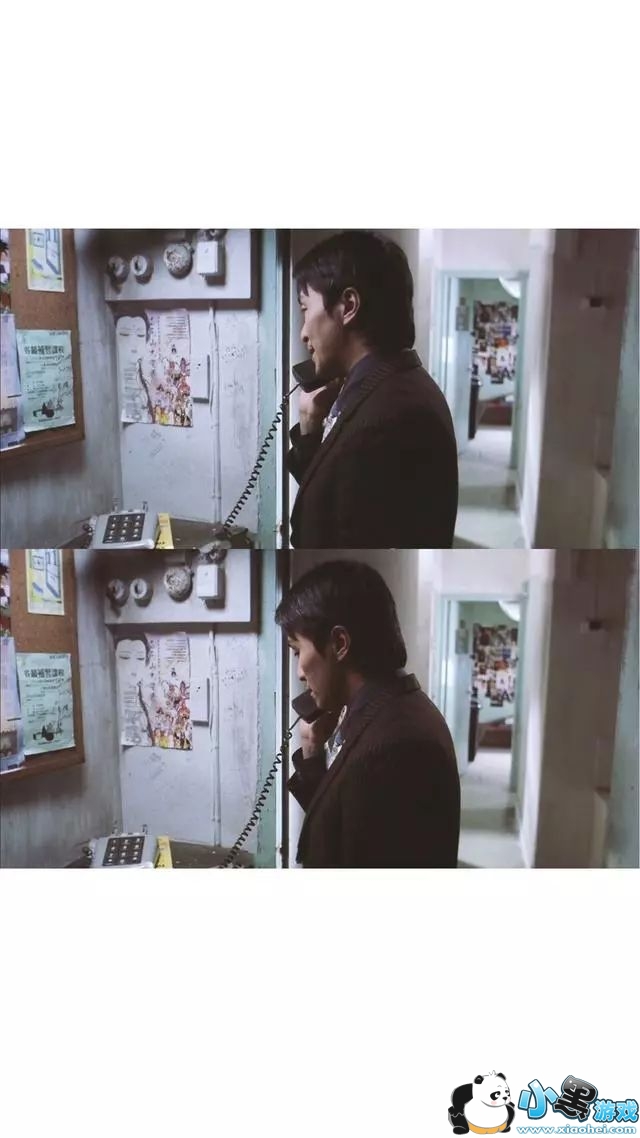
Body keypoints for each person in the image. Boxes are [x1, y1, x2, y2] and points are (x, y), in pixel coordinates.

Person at [275, 559, 461, 868]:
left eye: (297, 651)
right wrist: (313, 751)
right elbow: (340, 828)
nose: (299, 674)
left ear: (339, 644)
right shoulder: (382, 710)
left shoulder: (394, 746)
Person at [287, 231, 458, 548]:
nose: (303, 333)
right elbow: (331, 499)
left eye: (305, 309)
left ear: (348, 306)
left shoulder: (387, 418)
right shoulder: (378, 387)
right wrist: (310, 429)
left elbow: (333, 536)